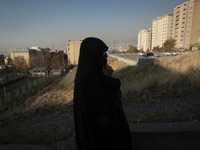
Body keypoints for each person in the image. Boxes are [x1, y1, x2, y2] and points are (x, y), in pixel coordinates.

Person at [73, 37, 132, 150]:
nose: (106, 56)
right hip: (103, 139)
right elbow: (111, 106)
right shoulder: (91, 80)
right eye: (103, 53)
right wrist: (109, 78)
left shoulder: (88, 75)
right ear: (94, 55)